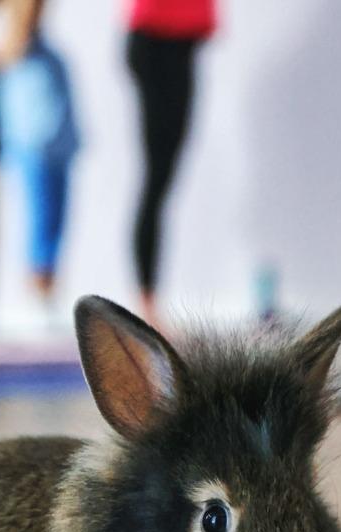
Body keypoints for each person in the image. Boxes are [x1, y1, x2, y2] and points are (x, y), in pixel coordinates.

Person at [125, 0, 216, 326]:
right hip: (156, 41)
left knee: (162, 181)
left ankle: (149, 301)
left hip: (183, 42)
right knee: (156, 180)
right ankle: (147, 304)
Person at [0, 0, 78, 314]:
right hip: (34, 148)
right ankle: (39, 292)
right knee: (40, 220)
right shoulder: (12, 55)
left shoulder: (48, 54)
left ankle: (48, 290)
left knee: (56, 221)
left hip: (58, 147)